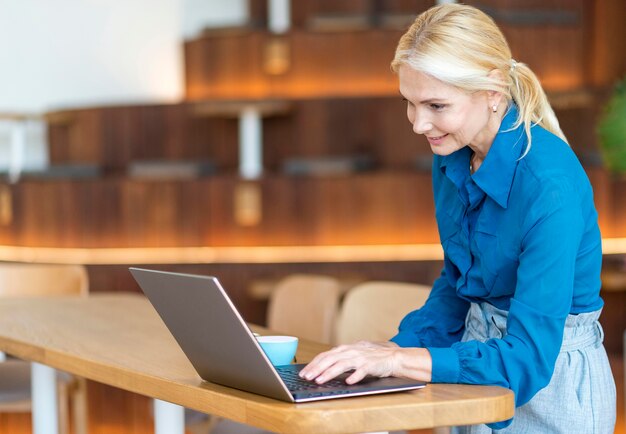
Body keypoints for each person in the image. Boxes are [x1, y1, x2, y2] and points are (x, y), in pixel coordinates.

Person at [299, 4, 616, 433]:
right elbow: (458, 285)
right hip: (476, 367)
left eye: (435, 105)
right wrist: (385, 354)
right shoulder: (453, 151)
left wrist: (400, 360)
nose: (418, 123)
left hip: (549, 384)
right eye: (409, 103)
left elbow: (527, 359)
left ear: (494, 92)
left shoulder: (549, 183)